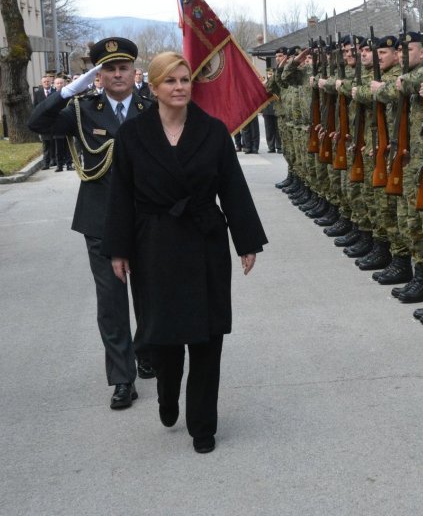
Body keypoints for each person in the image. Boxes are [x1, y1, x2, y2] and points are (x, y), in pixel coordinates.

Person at [102, 51, 267, 454]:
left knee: (208, 337)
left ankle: (203, 425)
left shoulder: (212, 131)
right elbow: (120, 196)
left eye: (184, 80)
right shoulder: (133, 135)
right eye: (170, 81)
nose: (179, 88)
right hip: (154, 245)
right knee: (164, 337)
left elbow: (232, 187)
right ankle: (167, 391)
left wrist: (246, 241)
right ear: (154, 87)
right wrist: (118, 250)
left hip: (204, 240)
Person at [28, 37, 154, 410]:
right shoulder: (83, 110)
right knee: (111, 301)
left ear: (134, 71)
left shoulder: (152, 107)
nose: (117, 74)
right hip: (100, 218)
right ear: (98, 76)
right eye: (108, 69)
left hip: (147, 217)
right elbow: (38, 123)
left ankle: (145, 350)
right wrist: (68, 90)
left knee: (150, 293)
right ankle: (121, 378)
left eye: (123, 68)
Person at [32, 75, 55, 169]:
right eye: (44, 82)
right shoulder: (38, 94)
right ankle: (46, 163)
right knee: (45, 143)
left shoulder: (55, 92)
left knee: (54, 142)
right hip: (43, 123)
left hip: (54, 122)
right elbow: (35, 107)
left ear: (50, 82)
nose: (46, 83)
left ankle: (55, 160)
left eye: (48, 81)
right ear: (42, 83)